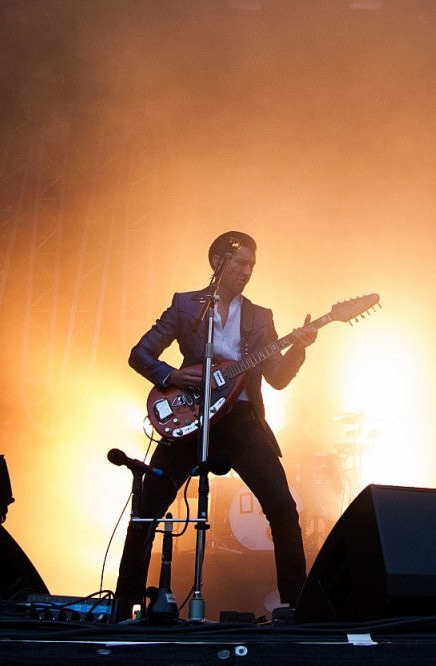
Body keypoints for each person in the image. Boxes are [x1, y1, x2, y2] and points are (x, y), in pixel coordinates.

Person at [114, 230, 318, 620]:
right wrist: (173, 375)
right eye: (241, 263)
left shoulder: (260, 317)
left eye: (252, 265)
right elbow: (139, 354)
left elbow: (277, 378)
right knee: (148, 507)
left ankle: (298, 606)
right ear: (218, 262)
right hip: (190, 415)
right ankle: (125, 604)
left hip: (241, 422)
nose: (248, 271)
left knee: (283, 508)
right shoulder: (186, 305)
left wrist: (299, 347)